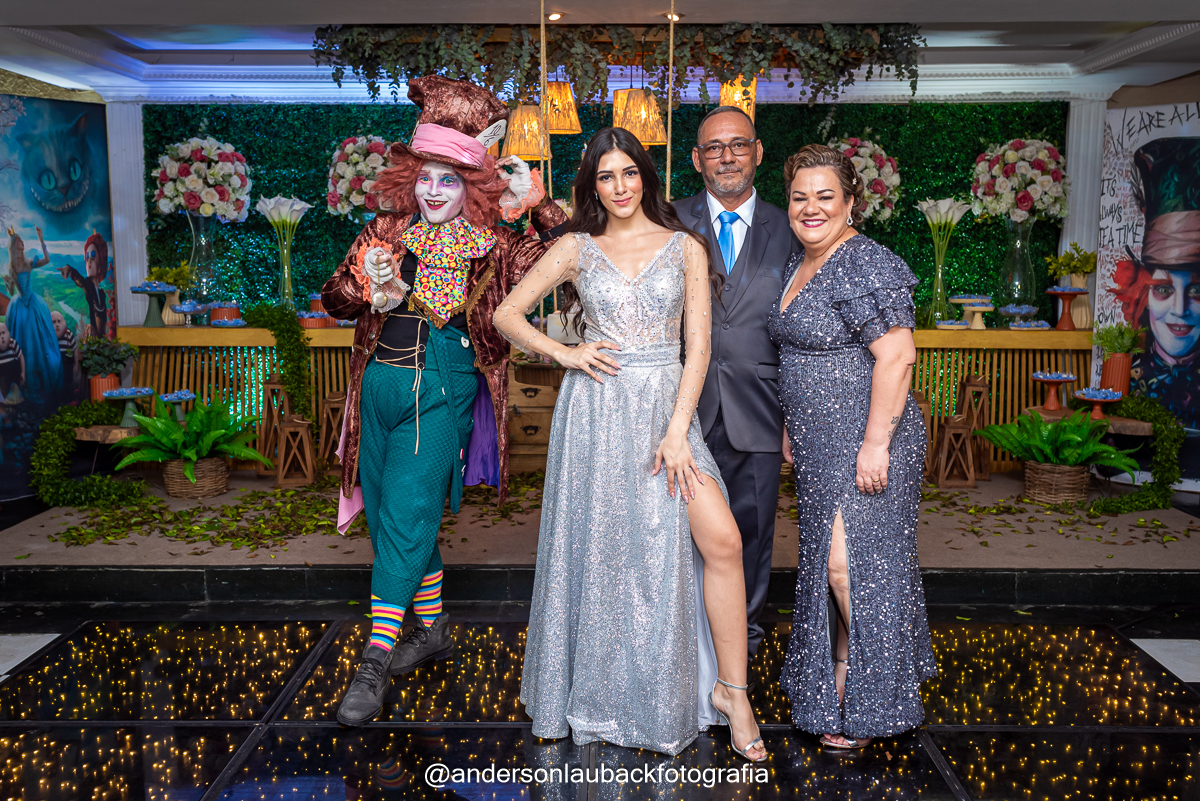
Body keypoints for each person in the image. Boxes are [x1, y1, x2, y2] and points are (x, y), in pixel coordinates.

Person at [497, 126, 766, 761]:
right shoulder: (575, 247)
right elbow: (506, 314)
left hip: (667, 411)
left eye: (628, 173)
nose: (619, 187)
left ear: (646, 176)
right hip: (596, 411)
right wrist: (566, 353)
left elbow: (698, 347)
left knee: (723, 540)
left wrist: (677, 431)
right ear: (592, 187)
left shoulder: (685, 247)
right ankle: (601, 695)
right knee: (605, 554)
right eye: (605, 177)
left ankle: (732, 692)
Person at [321, 76, 567, 727]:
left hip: (441, 389)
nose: (434, 191)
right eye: (426, 177)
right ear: (411, 179)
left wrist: (540, 205)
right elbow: (332, 299)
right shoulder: (386, 230)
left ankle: (374, 659)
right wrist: (363, 283)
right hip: (376, 387)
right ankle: (431, 630)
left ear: (473, 187)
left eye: (450, 180)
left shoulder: (496, 244)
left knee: (407, 513)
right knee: (393, 519)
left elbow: (571, 257)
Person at [767, 144, 935, 750]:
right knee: (833, 563)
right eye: (799, 197)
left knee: (850, 566)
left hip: (868, 439)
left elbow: (898, 356)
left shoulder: (866, 262)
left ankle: (877, 698)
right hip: (819, 443)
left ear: (851, 201)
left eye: (825, 196)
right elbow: (803, 354)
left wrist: (875, 443)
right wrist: (792, 423)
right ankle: (844, 676)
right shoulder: (802, 261)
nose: (810, 208)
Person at [672, 106, 801, 659]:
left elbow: (807, 331)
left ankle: (740, 650)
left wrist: (797, 415)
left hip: (761, 409)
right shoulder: (668, 220)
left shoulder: (792, 227)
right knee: (674, 532)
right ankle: (684, 647)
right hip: (678, 412)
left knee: (751, 535)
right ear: (697, 159)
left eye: (738, 144)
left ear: (758, 152)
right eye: (714, 147)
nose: (727, 156)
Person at [1109, 137, 1200, 428]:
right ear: (1144, 294)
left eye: (1197, 290)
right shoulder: (1123, 380)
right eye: (1163, 289)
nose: (1180, 309)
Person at [5, 226, 62, 404]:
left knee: (40, 343)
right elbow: (12, 289)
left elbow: (47, 259)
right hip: (20, 308)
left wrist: (41, 239)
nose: (22, 242)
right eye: (19, 240)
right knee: (23, 343)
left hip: (34, 306)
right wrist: (8, 284)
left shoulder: (28, 263)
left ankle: (42, 385)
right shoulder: (12, 267)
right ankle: (25, 386)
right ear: (14, 245)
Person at [59, 232, 111, 340]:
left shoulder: (101, 294)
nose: (89, 262)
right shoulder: (89, 286)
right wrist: (69, 269)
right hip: (92, 343)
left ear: (100, 266)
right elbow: (81, 282)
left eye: (93, 257)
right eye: (87, 258)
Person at [51, 311, 79, 402]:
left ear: (63, 322)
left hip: (67, 365)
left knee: (68, 386)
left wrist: (76, 364)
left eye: (59, 321)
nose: (57, 325)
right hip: (55, 368)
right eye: (54, 322)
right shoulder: (49, 337)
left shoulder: (68, 334)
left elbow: (75, 349)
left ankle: (69, 402)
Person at [0, 322, 24, 394]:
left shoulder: (12, 344)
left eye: (3, 333)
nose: (2, 337)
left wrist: (23, 372)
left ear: (8, 333)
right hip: (3, 382)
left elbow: (21, 356)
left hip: (15, 379)